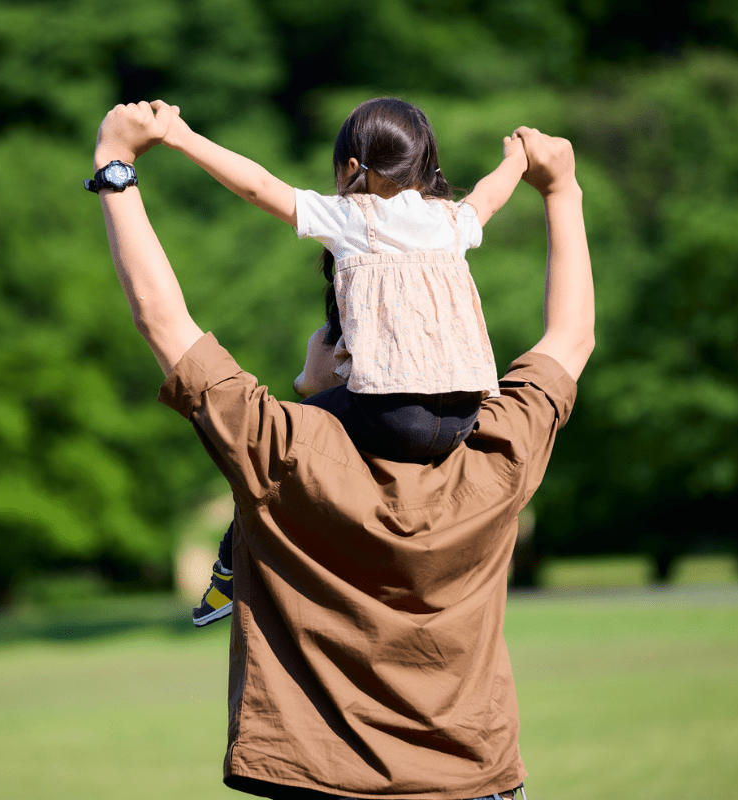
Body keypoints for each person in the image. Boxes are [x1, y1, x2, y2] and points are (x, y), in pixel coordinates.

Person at [86, 100, 593, 800]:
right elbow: (570, 337)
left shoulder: (282, 453)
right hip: (476, 784)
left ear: (352, 351)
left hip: (323, 784)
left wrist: (117, 167)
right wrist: (560, 189)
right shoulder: (498, 454)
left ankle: (224, 577)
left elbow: (164, 321)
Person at [150, 97, 530, 626]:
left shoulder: (352, 218)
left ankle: (228, 573)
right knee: (318, 417)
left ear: (352, 169)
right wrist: (517, 158)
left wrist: (180, 136)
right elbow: (490, 193)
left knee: (272, 454)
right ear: (425, 168)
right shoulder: (450, 220)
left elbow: (259, 185)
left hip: (392, 412)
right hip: (464, 414)